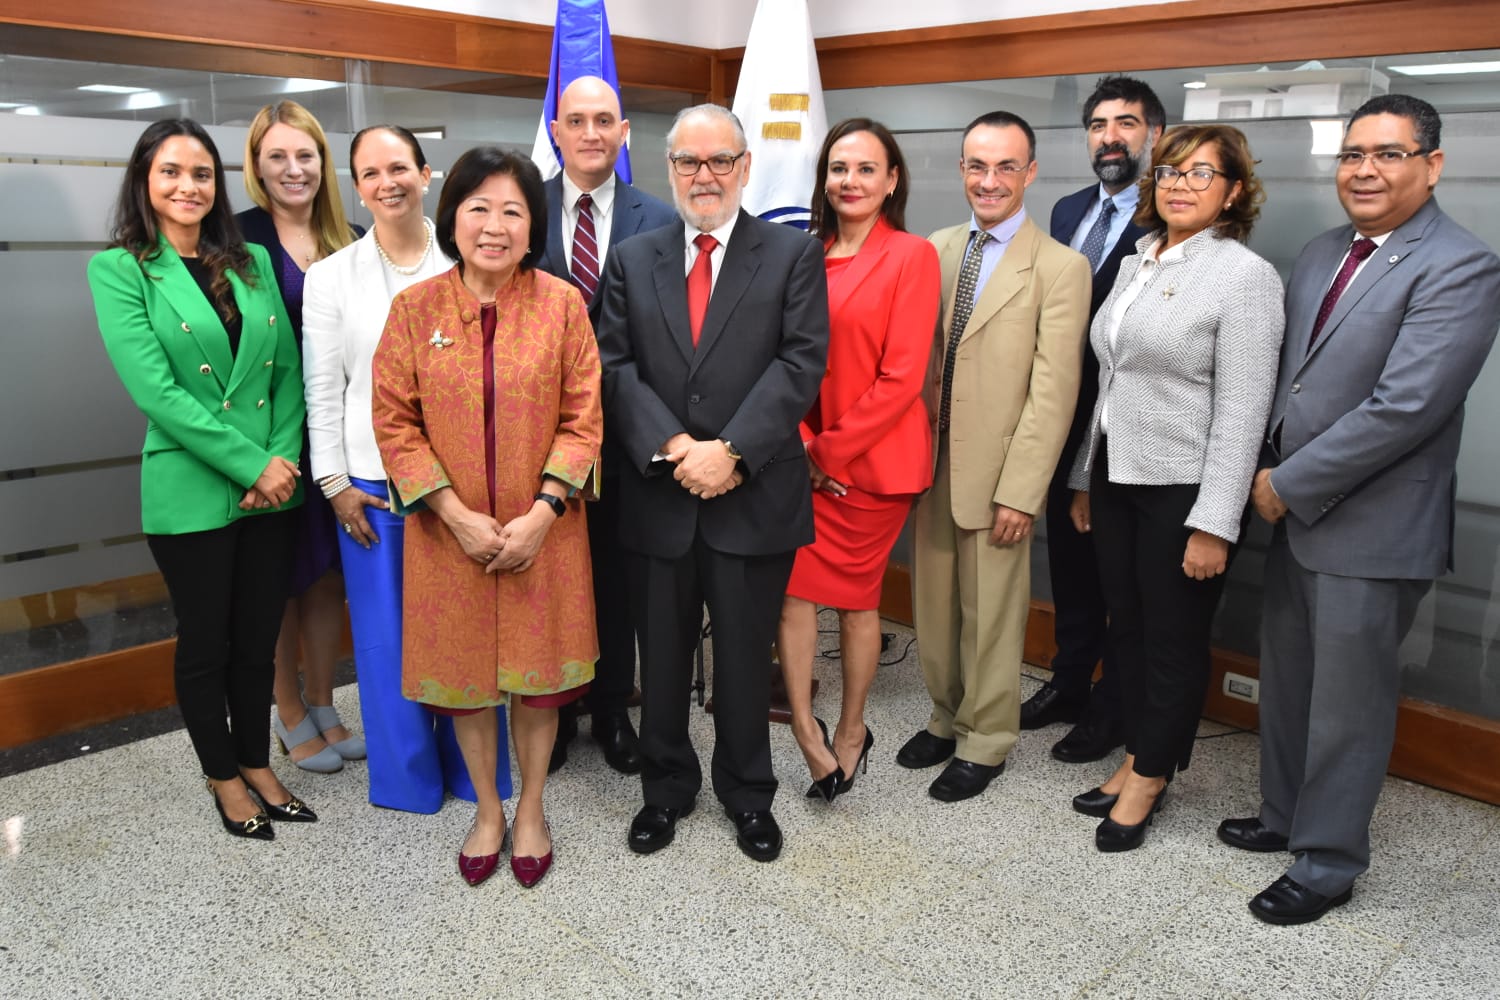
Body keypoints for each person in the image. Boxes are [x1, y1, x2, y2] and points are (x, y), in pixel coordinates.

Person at [1223, 94, 1500, 924]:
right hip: (1296, 518)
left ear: (1432, 165)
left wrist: (1287, 482)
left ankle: (1328, 862)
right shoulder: (1319, 254)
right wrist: (1260, 465)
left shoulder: (1459, 264)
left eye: (1387, 153)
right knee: (1293, 683)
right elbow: (1290, 383)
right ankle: (1284, 818)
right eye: (1352, 154)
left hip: (1371, 526)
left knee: (1349, 706)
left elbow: (1405, 408)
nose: (1365, 170)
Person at [597, 104, 828, 862]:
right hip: (660, 496)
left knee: (741, 658)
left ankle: (747, 794)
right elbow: (614, 364)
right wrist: (673, 444)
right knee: (659, 662)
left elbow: (800, 364)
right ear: (669, 169)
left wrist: (729, 450)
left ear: (745, 166)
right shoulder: (633, 257)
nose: (705, 176)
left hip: (751, 495)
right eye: (690, 163)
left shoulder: (792, 253)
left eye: (719, 161)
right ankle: (665, 790)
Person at [372, 146, 602, 889]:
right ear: (453, 218)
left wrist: (542, 512)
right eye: (479, 207)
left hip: (547, 532)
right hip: (450, 537)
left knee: (536, 683)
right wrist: (454, 513)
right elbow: (394, 422)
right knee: (467, 682)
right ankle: (489, 810)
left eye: (512, 210)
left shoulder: (563, 305)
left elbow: (583, 418)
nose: (494, 226)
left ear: (534, 227)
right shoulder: (414, 310)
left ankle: (532, 806)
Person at [87, 118, 315, 839]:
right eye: (170, 172)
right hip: (190, 489)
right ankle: (223, 777)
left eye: (202, 174)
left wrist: (281, 463)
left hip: (272, 487)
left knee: (256, 639)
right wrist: (253, 464)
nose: (188, 186)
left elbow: (285, 369)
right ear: (145, 183)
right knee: (206, 643)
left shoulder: (246, 257)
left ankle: (257, 760)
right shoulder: (121, 269)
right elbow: (157, 392)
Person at [1066, 124, 1284, 852]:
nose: (1182, 185)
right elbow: (1109, 381)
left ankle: (1152, 774)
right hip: (1116, 474)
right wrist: (1082, 479)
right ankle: (1134, 753)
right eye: (1170, 172)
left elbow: (1244, 412)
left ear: (1232, 190)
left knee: (1172, 638)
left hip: (1185, 489)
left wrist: (1216, 523)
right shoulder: (1136, 260)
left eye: (1201, 174)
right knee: (1124, 625)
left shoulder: (1245, 276)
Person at [900, 111, 1090, 802]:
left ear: (1031, 172)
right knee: (936, 603)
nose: (990, 180)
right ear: (960, 170)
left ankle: (986, 739)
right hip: (930, 460)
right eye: (977, 165)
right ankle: (945, 717)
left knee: (991, 612)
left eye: (1006, 166)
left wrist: (1024, 490)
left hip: (1001, 471)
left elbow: (1055, 391)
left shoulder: (1063, 269)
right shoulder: (936, 247)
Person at [303, 126, 493, 813]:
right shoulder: (331, 278)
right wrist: (334, 483)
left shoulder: (469, 259)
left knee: (469, 638)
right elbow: (322, 389)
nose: (388, 182)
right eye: (371, 173)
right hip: (374, 487)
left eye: (400, 168)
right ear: (356, 187)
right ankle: (408, 783)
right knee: (388, 646)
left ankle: (479, 777)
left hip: (466, 486)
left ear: (426, 173)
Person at [776, 118, 939, 801]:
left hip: (873, 467)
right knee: (793, 595)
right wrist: (806, 448)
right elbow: (792, 361)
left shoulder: (912, 256)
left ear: (892, 180)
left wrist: (831, 452)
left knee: (856, 601)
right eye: (839, 168)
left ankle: (850, 729)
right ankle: (806, 735)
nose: (851, 180)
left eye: (867, 168)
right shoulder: (802, 253)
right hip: (806, 455)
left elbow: (902, 378)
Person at [536, 75, 676, 776]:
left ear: (626, 134)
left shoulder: (660, 217)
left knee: (619, 583)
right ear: (555, 131)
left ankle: (616, 710)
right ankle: (556, 713)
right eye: (576, 120)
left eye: (605, 120)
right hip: (541, 443)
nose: (591, 132)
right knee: (553, 582)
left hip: (629, 439)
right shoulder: (519, 209)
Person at [1023, 76, 1165, 766]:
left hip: (1125, 425)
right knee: (1070, 563)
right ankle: (1070, 683)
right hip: (1057, 415)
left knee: (1118, 575)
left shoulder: (1173, 214)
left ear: (1155, 136)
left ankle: (1112, 705)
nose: (1111, 137)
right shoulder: (1068, 207)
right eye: (1099, 125)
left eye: (1127, 123)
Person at [238, 100, 364, 773]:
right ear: (257, 164)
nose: (294, 169)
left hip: (341, 443)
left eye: (306, 155)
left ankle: (324, 702)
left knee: (325, 582)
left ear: (324, 161)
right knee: (277, 586)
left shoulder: (353, 236)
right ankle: (286, 712)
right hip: (273, 448)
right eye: (278, 156)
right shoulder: (233, 240)